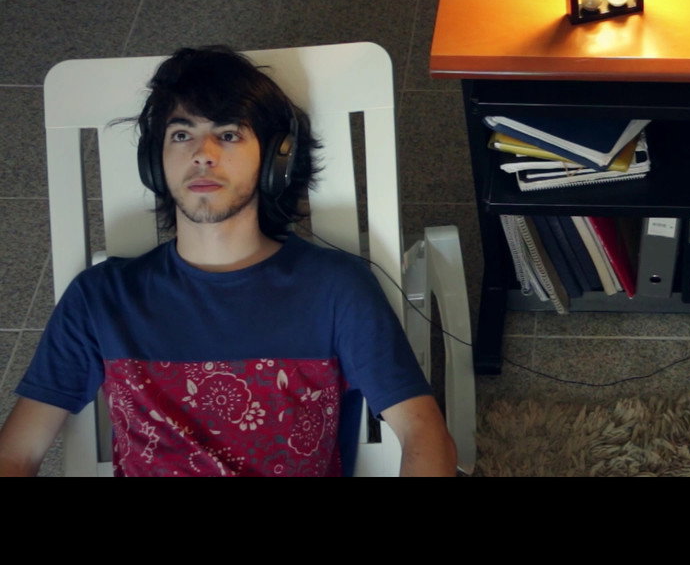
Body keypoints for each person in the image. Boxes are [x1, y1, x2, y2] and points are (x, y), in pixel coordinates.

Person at [0, 46, 457, 477]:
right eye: (182, 135)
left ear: (276, 161)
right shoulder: (101, 296)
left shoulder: (336, 288)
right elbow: (17, 453)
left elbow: (424, 433)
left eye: (228, 134)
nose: (203, 154)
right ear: (155, 164)